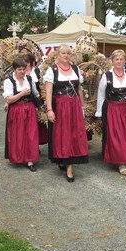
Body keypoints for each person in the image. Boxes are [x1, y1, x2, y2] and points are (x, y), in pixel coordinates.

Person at [44, 45, 89, 182]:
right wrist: (50, 110)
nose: (66, 55)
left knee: (74, 134)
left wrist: (82, 106)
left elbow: (79, 89)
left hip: (74, 105)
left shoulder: (75, 69)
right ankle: (61, 158)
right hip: (60, 106)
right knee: (61, 135)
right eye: (63, 53)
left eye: (68, 53)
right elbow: (49, 92)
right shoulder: (52, 70)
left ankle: (70, 167)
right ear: (58, 54)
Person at [3, 57, 40, 172]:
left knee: (31, 134)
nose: (22, 72)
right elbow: (9, 99)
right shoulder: (9, 81)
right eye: (19, 69)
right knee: (18, 134)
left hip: (29, 109)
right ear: (14, 70)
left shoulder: (29, 79)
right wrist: (22, 93)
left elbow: (36, 94)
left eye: (24, 69)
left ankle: (30, 160)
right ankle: (18, 157)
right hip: (16, 111)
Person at [23, 52, 48, 145]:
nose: (25, 63)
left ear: (30, 62)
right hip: (26, 100)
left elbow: (42, 85)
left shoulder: (37, 71)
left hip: (37, 99)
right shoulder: (21, 71)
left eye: (26, 61)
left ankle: (36, 144)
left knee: (37, 124)